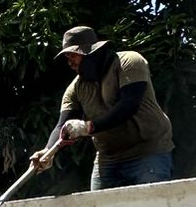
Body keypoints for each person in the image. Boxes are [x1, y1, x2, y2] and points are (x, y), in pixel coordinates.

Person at [33, 26, 174, 190]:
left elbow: (128, 106)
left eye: (73, 55)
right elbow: (61, 126)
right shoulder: (76, 88)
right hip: (108, 158)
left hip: (148, 151)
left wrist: (88, 127)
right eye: (67, 57)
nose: (70, 62)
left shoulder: (129, 62)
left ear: (91, 53)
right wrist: (48, 151)